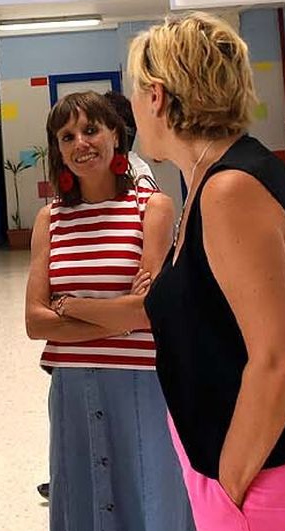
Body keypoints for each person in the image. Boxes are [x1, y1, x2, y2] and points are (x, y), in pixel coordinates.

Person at [130, 13, 285, 531]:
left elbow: (280, 357)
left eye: (134, 90)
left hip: (275, 474)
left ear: (156, 96)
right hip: (262, 466)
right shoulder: (213, 178)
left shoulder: (229, 189)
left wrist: (230, 479)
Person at [24, 91, 194, 530]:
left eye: (91, 130)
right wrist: (120, 318)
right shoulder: (50, 220)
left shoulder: (152, 208)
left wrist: (70, 307)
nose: (81, 143)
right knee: (84, 505)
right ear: (58, 149)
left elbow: (148, 313)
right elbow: (35, 321)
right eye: (67, 137)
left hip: (142, 382)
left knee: (151, 499)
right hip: (71, 386)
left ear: (116, 135)